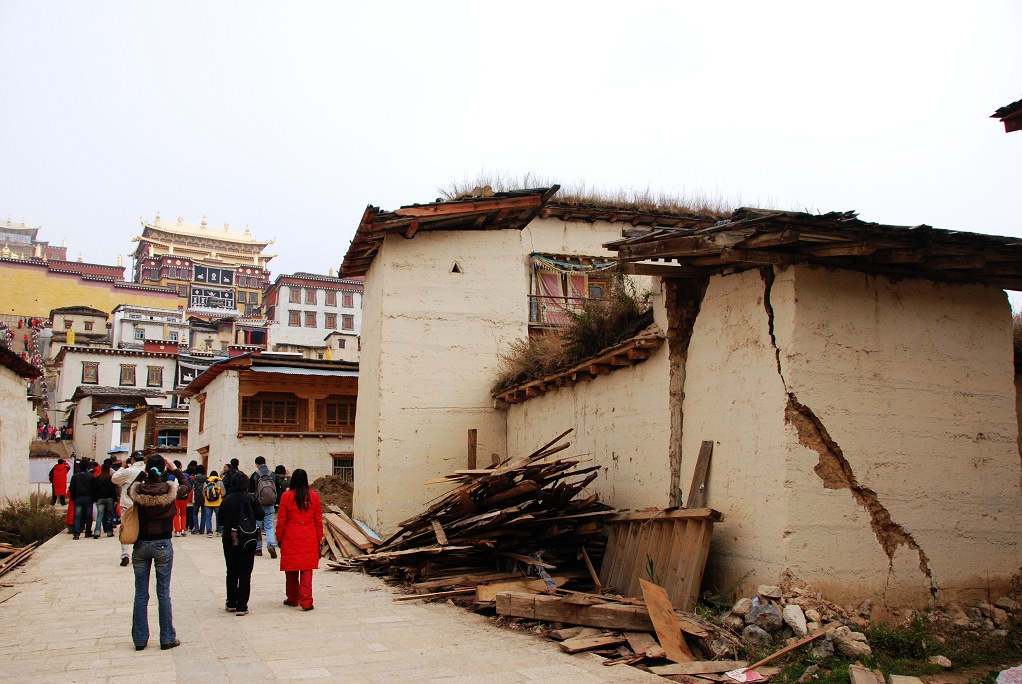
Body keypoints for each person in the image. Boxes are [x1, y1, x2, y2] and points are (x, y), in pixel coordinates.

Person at [128, 454, 184, 651]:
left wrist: (142, 473)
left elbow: (128, 490)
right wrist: (174, 469)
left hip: (141, 543)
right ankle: (167, 637)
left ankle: (140, 639)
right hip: (162, 543)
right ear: (164, 469)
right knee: (163, 592)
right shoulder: (169, 489)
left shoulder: (138, 489)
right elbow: (186, 486)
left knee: (141, 592)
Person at [275, 469, 323, 611]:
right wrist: (319, 538)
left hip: (291, 536)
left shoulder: (286, 496)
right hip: (309, 535)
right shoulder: (313, 496)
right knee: (307, 569)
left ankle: (293, 598)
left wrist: (279, 537)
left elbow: (281, 520)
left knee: (291, 569)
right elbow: (318, 520)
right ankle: (306, 601)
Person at [219, 470, 264, 615]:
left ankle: (231, 602)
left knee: (231, 571)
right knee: (245, 572)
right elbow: (260, 514)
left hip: (229, 539)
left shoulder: (227, 499)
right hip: (248, 539)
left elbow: (220, 521)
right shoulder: (251, 498)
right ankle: (242, 605)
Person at [112, 452, 146, 566]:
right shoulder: (147, 469)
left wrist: (122, 466)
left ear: (132, 459)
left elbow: (115, 479)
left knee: (125, 528)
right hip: (142, 504)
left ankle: (125, 555)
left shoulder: (128, 471)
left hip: (127, 504)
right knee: (141, 529)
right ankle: (140, 553)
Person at [248, 456, 279, 558]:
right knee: (269, 526)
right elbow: (277, 489)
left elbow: (251, 489)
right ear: (265, 462)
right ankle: (271, 544)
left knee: (257, 527)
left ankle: (258, 549)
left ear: (256, 464)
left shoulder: (255, 475)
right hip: (270, 504)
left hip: (258, 505)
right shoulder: (272, 474)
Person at [68, 459, 95, 540]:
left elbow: (71, 488)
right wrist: (93, 498)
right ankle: (87, 532)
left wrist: (73, 497)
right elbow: (94, 488)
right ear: (87, 467)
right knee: (88, 516)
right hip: (88, 498)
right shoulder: (91, 476)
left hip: (78, 498)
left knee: (77, 516)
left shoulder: (75, 476)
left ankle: (76, 533)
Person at [92, 462, 118, 538]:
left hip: (100, 499)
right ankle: (109, 532)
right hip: (109, 499)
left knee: (99, 516)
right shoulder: (110, 478)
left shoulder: (97, 478)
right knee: (109, 515)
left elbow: (94, 490)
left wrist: (95, 499)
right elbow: (113, 490)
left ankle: (97, 532)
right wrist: (115, 499)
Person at [202, 471, 226, 537]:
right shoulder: (220, 482)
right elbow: (223, 492)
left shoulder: (206, 482)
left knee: (208, 517)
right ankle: (219, 531)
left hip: (208, 503)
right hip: (218, 503)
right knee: (218, 517)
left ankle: (209, 532)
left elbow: (203, 493)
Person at [191, 464, 207, 534]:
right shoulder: (206, 479)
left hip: (196, 497)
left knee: (195, 513)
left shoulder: (194, 479)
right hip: (204, 497)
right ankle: (202, 529)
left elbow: (192, 488)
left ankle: (196, 528)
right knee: (204, 513)